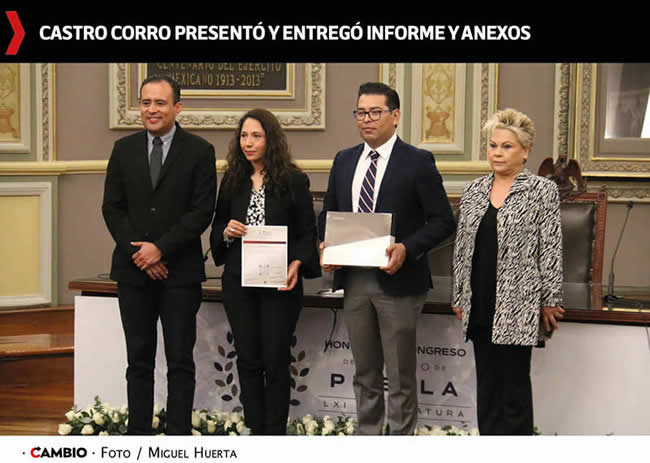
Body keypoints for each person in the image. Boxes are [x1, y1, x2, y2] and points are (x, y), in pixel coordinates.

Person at [319, 82, 456, 435]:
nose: (366, 119)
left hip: (398, 282)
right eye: (360, 113)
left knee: (399, 377)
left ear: (394, 116)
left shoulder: (417, 161)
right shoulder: (344, 159)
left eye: (375, 112)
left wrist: (407, 248)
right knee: (364, 373)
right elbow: (330, 214)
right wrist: (326, 245)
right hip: (354, 281)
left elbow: (443, 221)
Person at [102, 75, 217, 435]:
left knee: (180, 361)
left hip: (179, 274)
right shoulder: (123, 149)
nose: (152, 110)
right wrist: (141, 254)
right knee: (138, 361)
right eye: (146, 102)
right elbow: (112, 208)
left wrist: (161, 250)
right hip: (133, 273)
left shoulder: (200, 150)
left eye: (160, 103)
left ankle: (178, 438)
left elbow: (201, 212)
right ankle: (139, 437)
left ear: (177, 108)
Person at [451, 108, 565, 435]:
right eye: (492, 145)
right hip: (479, 302)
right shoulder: (473, 190)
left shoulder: (542, 190)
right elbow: (462, 248)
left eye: (506, 146)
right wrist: (459, 295)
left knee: (513, 390)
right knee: (487, 389)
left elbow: (551, 249)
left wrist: (550, 299)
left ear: (525, 151)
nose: (497, 153)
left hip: (519, 305)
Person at [210, 108, 320, 435]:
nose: (248, 142)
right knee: (247, 359)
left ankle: (274, 436)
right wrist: (227, 232)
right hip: (239, 282)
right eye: (243, 135)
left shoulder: (293, 179)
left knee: (275, 360)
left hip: (279, 284)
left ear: (270, 138)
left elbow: (306, 233)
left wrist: (297, 263)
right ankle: (255, 434)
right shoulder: (232, 179)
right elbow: (217, 229)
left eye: (256, 135)